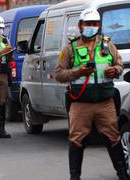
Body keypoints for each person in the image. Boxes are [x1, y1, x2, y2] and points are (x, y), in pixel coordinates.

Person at [55, 8, 128, 180]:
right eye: (88, 24)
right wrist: (78, 72)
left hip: (105, 102)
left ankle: (123, 175)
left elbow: (120, 65)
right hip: (80, 103)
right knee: (76, 139)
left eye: (95, 24)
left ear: (99, 25)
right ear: (80, 26)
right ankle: (75, 177)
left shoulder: (108, 45)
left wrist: (114, 70)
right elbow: (59, 74)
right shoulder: (70, 48)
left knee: (113, 137)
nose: (92, 27)